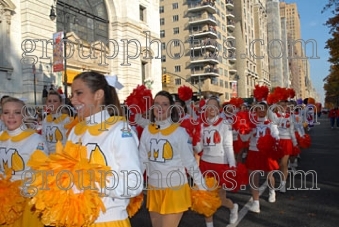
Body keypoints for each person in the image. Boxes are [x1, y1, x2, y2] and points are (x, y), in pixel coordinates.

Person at [68, 72, 143, 227]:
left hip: (108, 220)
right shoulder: (76, 131)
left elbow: (133, 183)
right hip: (77, 220)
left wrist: (92, 182)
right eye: (72, 95)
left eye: (79, 93)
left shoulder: (120, 130)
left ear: (98, 95)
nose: (73, 100)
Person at [139, 90, 206, 227]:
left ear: (171, 109)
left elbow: (190, 162)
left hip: (174, 189)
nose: (160, 108)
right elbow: (142, 161)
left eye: (164, 104)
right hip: (154, 188)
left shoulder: (180, 133)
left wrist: (203, 187)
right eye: (156, 104)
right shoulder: (147, 131)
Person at [0, 97, 48, 227]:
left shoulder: (35, 140)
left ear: (24, 116)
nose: (11, 116)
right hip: (4, 201)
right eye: (6, 112)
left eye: (16, 112)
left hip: (27, 200)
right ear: (1, 117)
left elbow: (42, 172)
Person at [194, 96, 239, 226]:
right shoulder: (202, 126)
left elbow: (228, 146)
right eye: (209, 106)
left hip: (221, 165)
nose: (211, 108)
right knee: (206, 197)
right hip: (205, 164)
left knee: (220, 198)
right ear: (206, 109)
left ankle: (233, 207)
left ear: (219, 109)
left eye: (214, 106)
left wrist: (232, 166)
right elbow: (199, 148)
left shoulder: (225, 124)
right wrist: (194, 139)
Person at [246, 102, 280, 213]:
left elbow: (276, 137)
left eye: (263, 109)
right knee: (253, 176)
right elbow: (244, 137)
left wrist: (272, 141)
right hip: (253, 151)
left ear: (266, 110)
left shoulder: (271, 123)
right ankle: (256, 202)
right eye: (258, 109)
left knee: (269, 174)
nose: (261, 111)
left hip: (266, 153)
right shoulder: (251, 123)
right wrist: (245, 130)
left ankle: (272, 190)